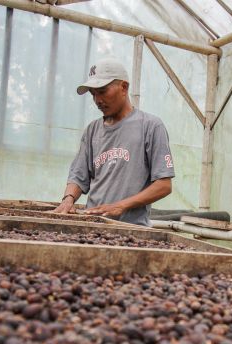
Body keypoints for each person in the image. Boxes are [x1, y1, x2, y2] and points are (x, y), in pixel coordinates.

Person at [52, 58, 175, 226]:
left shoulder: (150, 126)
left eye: (102, 91)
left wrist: (121, 206)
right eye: (93, 94)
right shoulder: (92, 130)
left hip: (132, 230)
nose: (97, 100)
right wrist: (68, 199)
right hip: (92, 225)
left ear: (124, 87)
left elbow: (164, 185)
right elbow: (78, 177)